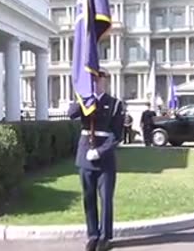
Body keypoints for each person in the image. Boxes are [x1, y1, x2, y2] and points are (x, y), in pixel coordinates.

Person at [68, 68, 124, 251]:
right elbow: (71, 113)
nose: (96, 83)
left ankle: (105, 236)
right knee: (88, 198)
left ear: (105, 82)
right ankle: (92, 235)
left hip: (104, 159)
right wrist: (83, 98)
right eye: (93, 80)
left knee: (106, 199)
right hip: (85, 156)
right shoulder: (85, 101)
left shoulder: (115, 104)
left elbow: (117, 135)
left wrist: (100, 151)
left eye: (98, 80)